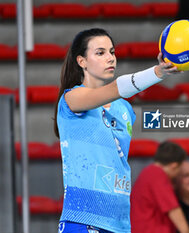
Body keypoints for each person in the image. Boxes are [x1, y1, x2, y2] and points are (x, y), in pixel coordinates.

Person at [53, 28, 179, 233]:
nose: (110, 58)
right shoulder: (71, 99)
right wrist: (158, 72)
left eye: (112, 52)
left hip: (119, 223)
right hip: (83, 220)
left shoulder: (124, 109)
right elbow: (114, 89)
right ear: (81, 61)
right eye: (100, 53)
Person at [130, 141, 189, 233]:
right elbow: (174, 211)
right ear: (174, 166)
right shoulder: (157, 174)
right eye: (180, 169)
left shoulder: (148, 173)